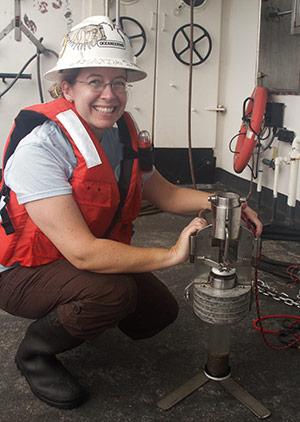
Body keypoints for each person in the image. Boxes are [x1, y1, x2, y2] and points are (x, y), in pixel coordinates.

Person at [0, 16, 262, 410]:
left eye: (118, 82)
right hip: (22, 271)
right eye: (95, 81)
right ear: (67, 87)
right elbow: (84, 253)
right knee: (114, 292)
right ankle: (34, 355)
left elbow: (168, 195)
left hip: (73, 257)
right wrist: (171, 255)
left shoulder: (122, 132)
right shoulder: (41, 148)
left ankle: (80, 311)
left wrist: (228, 202)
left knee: (157, 314)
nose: (110, 94)